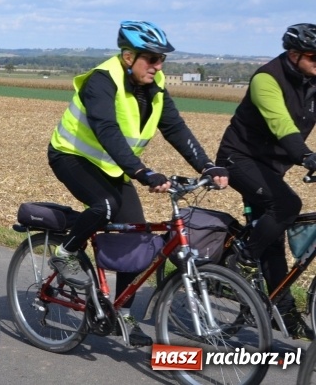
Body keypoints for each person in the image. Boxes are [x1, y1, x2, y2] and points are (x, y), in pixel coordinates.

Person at [47, 20, 229, 346]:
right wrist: (142, 172)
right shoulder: (102, 81)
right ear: (129, 57)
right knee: (104, 205)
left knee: (138, 235)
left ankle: (124, 313)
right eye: (152, 59)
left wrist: (207, 165)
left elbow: (175, 128)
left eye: (162, 60)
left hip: (113, 165)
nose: (159, 66)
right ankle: (65, 251)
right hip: (71, 156)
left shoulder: (154, 85)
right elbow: (107, 131)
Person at [216, 23, 316, 340]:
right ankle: (242, 258)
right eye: (315, 57)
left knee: (274, 240)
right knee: (287, 205)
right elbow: (281, 124)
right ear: (294, 53)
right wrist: (307, 157)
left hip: (272, 166)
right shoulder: (267, 79)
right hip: (240, 158)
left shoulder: (312, 81)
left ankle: (283, 313)